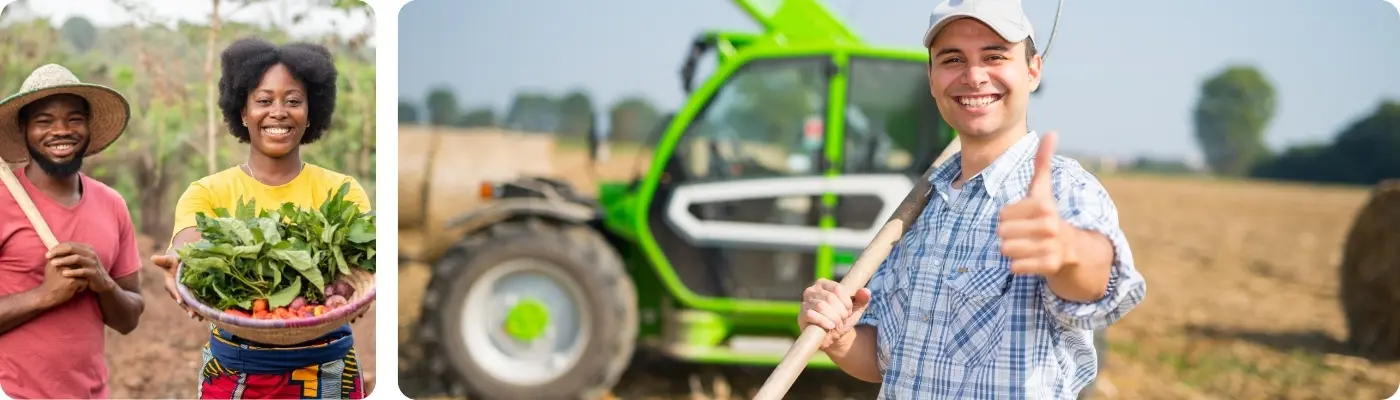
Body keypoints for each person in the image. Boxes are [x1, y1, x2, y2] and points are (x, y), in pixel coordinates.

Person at [797, 1, 1148, 398]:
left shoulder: (1063, 189)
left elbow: (1097, 282)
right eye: (952, 59)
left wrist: (1066, 250)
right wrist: (840, 338)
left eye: (995, 56)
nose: (974, 76)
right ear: (931, 78)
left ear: (1032, 71)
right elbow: (884, 361)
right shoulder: (920, 205)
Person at [149, 37, 372, 399]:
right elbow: (189, 243)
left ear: (311, 111)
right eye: (264, 101)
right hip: (236, 374)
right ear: (242, 111)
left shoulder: (341, 191)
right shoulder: (208, 192)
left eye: (293, 101)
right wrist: (180, 261)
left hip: (328, 373)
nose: (279, 112)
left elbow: (364, 266)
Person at [0, 64, 146, 399]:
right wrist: (44, 295)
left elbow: (129, 319)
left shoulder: (112, 204)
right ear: (23, 129)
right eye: (44, 121)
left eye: (74, 119)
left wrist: (103, 283)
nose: (61, 130)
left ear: (88, 127)